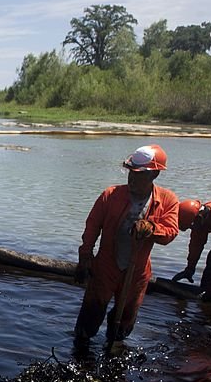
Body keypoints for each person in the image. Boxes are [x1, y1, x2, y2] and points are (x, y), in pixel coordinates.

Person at [73, 144, 180, 345]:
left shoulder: (167, 200)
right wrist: (85, 258)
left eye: (138, 175)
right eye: (130, 172)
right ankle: (80, 353)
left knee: (125, 319)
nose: (132, 178)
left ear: (154, 175)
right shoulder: (110, 195)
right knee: (91, 313)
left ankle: (114, 347)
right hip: (106, 265)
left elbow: (170, 232)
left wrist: (151, 228)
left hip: (137, 270)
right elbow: (91, 228)